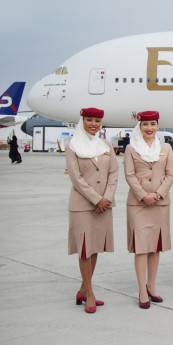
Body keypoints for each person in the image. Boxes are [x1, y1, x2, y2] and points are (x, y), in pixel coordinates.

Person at [65, 107, 117, 314]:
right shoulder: (72, 146)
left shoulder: (106, 146)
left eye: (97, 120)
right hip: (83, 206)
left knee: (94, 248)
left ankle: (82, 289)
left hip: (104, 205)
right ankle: (90, 293)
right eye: (89, 120)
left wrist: (107, 198)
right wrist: (97, 199)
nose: (94, 123)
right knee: (85, 248)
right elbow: (76, 178)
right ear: (82, 121)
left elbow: (113, 173)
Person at [124, 110, 173, 309]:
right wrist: (143, 195)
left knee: (155, 247)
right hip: (139, 203)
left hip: (160, 203)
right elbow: (129, 175)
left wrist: (158, 194)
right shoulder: (131, 148)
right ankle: (141, 290)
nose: (149, 128)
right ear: (140, 126)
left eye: (153, 124)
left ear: (157, 126)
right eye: (146, 125)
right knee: (141, 248)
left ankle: (152, 286)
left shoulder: (166, 148)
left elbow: (171, 174)